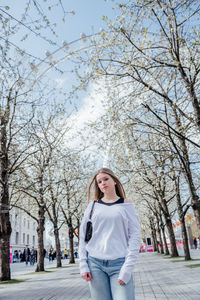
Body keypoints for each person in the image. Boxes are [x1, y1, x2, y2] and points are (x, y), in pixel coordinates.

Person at [79, 168, 141, 300]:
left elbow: (135, 236)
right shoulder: (92, 206)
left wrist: (128, 267)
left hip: (120, 264)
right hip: (95, 264)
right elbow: (83, 237)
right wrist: (83, 265)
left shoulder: (127, 205)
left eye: (106, 179)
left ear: (115, 181)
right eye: (99, 181)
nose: (103, 183)